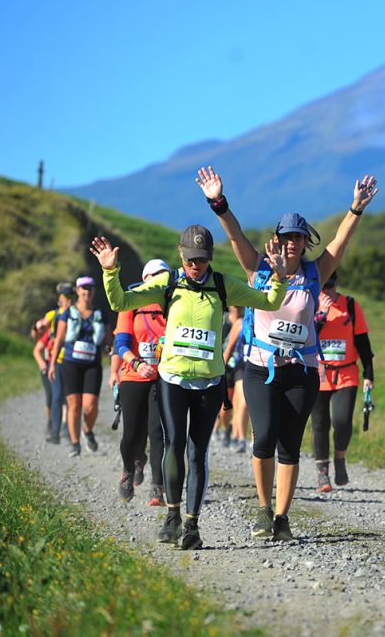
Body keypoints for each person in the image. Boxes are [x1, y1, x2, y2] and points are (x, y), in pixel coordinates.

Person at [195, 165, 377, 542]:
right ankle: (263, 509)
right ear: (276, 240)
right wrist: (218, 202)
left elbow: (340, 243)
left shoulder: (315, 273)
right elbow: (234, 235)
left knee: (290, 445)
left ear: (304, 242)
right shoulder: (257, 270)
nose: (292, 243)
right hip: (260, 369)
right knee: (263, 438)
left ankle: (282, 517)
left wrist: (356, 208)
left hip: (302, 371)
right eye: (287, 237)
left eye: (298, 238)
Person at [91, 227, 290, 550]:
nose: (197, 265)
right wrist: (110, 271)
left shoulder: (222, 285)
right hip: (171, 378)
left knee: (198, 454)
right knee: (174, 445)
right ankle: (172, 515)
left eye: (203, 259)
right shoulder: (167, 284)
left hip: (209, 383)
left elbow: (269, 302)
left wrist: (279, 278)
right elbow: (120, 301)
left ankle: (192, 525)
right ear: (180, 254)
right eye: (192, 259)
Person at [111, 259, 171, 505]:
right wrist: (136, 363)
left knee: (158, 432)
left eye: (165, 277)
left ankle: (158, 485)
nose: (161, 281)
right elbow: (121, 343)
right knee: (132, 434)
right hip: (134, 373)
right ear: (146, 279)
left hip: (163, 376)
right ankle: (128, 468)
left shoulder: (173, 304)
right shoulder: (131, 301)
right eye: (156, 276)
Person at [311, 271, 375, 492]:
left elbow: (363, 342)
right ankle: (322, 473)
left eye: (330, 285)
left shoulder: (350, 305)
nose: (326, 290)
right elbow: (308, 335)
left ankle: (340, 457)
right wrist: (322, 312)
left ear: (336, 284)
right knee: (320, 424)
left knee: (342, 420)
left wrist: (369, 374)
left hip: (347, 373)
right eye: (322, 286)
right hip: (318, 373)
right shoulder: (310, 304)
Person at [49, 276, 108, 457]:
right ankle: (75, 444)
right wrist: (52, 364)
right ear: (77, 291)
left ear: (93, 291)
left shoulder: (100, 314)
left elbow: (108, 341)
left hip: (92, 364)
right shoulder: (68, 313)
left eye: (90, 288)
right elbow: (59, 339)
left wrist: (113, 352)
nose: (86, 292)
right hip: (70, 363)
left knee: (90, 406)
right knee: (74, 404)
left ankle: (87, 431)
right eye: (83, 288)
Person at [33, 282, 74, 444]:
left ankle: (68, 430)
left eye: (72, 297)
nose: (69, 300)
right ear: (60, 299)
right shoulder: (53, 315)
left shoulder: (77, 314)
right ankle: (55, 430)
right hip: (54, 361)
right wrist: (37, 328)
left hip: (71, 361)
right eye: (66, 297)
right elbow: (38, 331)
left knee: (68, 398)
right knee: (55, 397)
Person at [222, 306, 250, 453]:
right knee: (227, 407)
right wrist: (221, 372)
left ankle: (241, 439)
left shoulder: (266, 323)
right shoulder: (240, 323)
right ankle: (228, 428)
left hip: (251, 368)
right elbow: (228, 349)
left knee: (244, 404)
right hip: (236, 366)